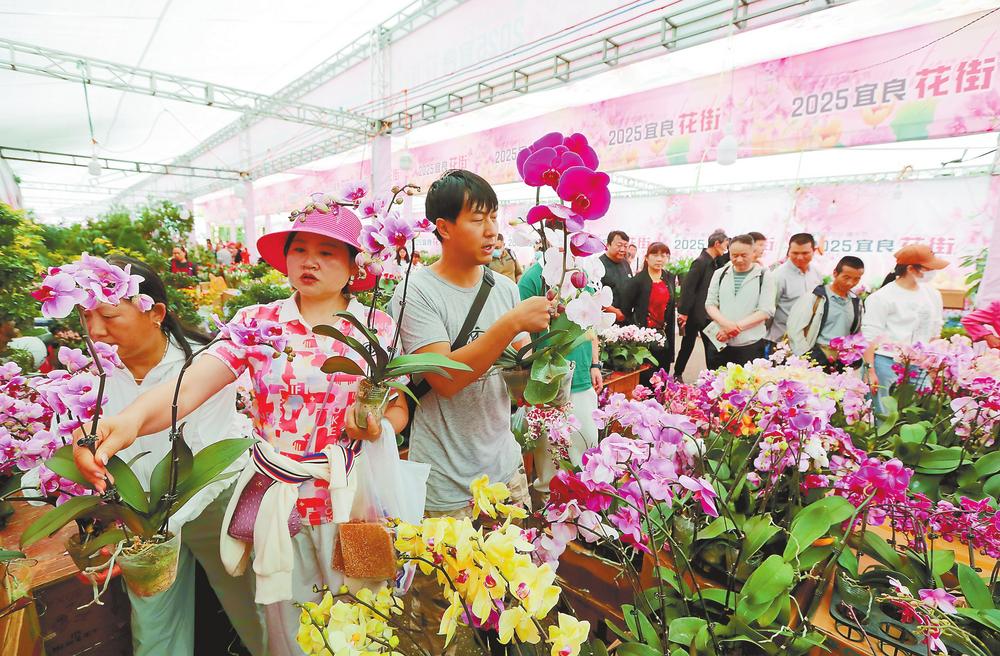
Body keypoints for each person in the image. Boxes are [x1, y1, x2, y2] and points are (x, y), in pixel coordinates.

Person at [73, 206, 406, 655]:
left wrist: (377, 425)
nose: (310, 261)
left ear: (353, 267)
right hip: (278, 504)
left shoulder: (376, 328)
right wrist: (129, 420)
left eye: (327, 252)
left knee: (365, 612)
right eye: (299, 249)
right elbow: (192, 383)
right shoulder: (258, 322)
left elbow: (398, 407)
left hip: (352, 499)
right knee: (291, 624)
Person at [67, 255, 265, 656]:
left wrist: (149, 533)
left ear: (156, 313)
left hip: (213, 504)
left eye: (109, 315)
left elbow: (207, 461)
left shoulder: (206, 365)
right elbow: (89, 434)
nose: (95, 330)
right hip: (140, 515)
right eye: (86, 317)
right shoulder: (95, 371)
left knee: (253, 610)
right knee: (154, 631)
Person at [389, 169, 551, 519]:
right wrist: (512, 323)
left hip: (505, 473)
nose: (491, 230)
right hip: (447, 486)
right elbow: (445, 379)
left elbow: (522, 377)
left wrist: (547, 366)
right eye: (478, 220)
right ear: (444, 228)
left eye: (493, 217)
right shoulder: (415, 293)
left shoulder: (505, 289)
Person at [518, 258, 601, 493]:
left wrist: (595, 363)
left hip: (581, 377)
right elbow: (521, 332)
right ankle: (550, 505)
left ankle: (586, 501)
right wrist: (529, 379)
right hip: (547, 382)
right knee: (550, 463)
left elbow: (591, 324)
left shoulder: (582, 273)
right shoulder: (533, 278)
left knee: (587, 450)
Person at [862, 244, 946, 412]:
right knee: (883, 413)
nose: (933, 272)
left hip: (921, 364)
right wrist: (870, 370)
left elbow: (935, 331)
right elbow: (869, 336)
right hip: (887, 362)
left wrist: (933, 365)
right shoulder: (882, 297)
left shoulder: (933, 295)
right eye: (929, 268)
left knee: (922, 411)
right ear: (910, 269)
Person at [704, 234, 777, 368]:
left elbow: (766, 311)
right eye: (734, 255)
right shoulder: (720, 273)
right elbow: (710, 304)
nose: (738, 259)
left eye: (744, 255)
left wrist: (734, 328)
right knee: (716, 379)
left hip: (749, 345)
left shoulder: (764, 276)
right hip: (720, 341)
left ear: (753, 252)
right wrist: (726, 325)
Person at [786, 256, 865, 369]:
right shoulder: (815, 297)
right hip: (816, 356)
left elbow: (857, 333)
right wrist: (807, 355)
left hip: (841, 361)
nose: (850, 283)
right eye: (846, 277)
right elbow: (794, 329)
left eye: (856, 279)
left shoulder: (856, 302)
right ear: (835, 273)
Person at [674, 229, 728, 378]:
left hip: (707, 313)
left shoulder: (715, 262)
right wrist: (684, 312)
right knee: (688, 345)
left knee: (712, 348)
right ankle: (677, 373)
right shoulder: (700, 262)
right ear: (716, 244)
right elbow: (688, 288)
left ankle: (714, 377)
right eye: (725, 245)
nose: (726, 249)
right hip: (695, 314)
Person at [622, 241, 676, 385]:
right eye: (655, 255)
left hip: (664, 335)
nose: (659, 259)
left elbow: (670, 310)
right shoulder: (638, 281)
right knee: (645, 378)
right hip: (643, 338)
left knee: (662, 377)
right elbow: (626, 310)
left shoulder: (669, 277)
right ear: (646, 257)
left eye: (663, 255)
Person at [768, 233, 823, 346]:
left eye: (805, 253)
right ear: (788, 251)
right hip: (781, 341)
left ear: (814, 251)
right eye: (795, 253)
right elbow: (768, 310)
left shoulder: (816, 273)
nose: (800, 257)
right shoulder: (778, 276)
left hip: (807, 341)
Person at [600, 230, 632, 324]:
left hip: (626, 319)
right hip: (607, 320)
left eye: (625, 246)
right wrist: (614, 311)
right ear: (608, 245)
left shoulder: (625, 263)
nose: (622, 249)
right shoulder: (598, 264)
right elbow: (594, 295)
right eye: (619, 245)